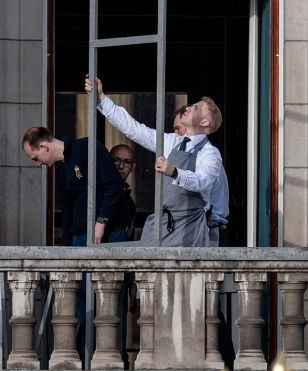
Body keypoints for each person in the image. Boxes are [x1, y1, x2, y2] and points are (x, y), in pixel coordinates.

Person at [84, 76, 223, 247]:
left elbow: (203, 181)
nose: (188, 107)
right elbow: (133, 129)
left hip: (188, 230)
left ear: (204, 122)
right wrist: (101, 99)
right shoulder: (172, 141)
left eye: (195, 108)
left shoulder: (210, 153)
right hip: (161, 224)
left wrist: (174, 171)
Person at [22, 126, 125, 245]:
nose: (38, 163)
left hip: (108, 232)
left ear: (44, 147)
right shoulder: (60, 168)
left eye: (35, 158)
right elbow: (67, 210)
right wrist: (67, 247)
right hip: (79, 236)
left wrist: (102, 221)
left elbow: (115, 185)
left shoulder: (87, 148)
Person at [172, 109, 230, 246]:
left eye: (179, 129)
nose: (176, 134)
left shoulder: (207, 158)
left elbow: (206, 188)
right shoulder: (185, 157)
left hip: (210, 230)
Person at [110, 143, 138, 240]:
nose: (121, 166)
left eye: (127, 162)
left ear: (133, 167)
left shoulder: (128, 199)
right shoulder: (100, 193)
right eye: (116, 160)